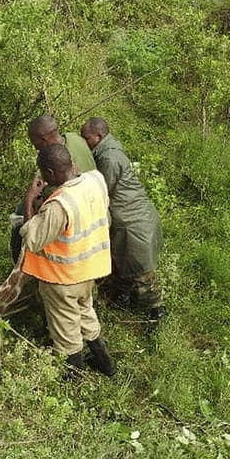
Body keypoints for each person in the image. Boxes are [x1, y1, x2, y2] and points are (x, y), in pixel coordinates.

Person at [19, 143, 116, 376]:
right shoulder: (95, 180)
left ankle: (74, 380)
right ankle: (106, 365)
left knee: (67, 334)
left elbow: (32, 239)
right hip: (89, 270)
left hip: (63, 279)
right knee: (85, 316)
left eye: (43, 172)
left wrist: (30, 199)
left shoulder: (59, 206)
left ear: (51, 174)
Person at [80, 117, 167, 321]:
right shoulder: (107, 151)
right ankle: (123, 299)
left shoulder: (109, 158)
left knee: (142, 275)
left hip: (134, 222)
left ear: (99, 136)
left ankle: (155, 314)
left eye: (87, 137)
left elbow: (101, 190)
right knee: (120, 263)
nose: (84, 141)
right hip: (132, 217)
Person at [10, 115, 96, 263]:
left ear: (44, 139)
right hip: (92, 207)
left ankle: (26, 269)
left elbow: (45, 202)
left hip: (77, 221)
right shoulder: (74, 138)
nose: (35, 147)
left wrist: (30, 199)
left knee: (22, 227)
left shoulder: (57, 163)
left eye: (35, 144)